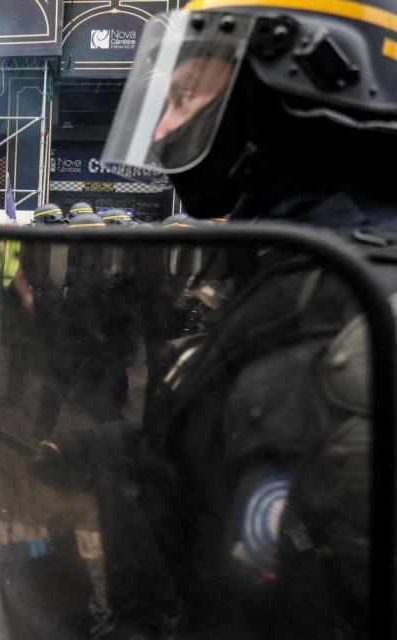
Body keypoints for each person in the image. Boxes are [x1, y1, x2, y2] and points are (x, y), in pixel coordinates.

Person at [97, 2, 396, 636]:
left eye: (187, 95)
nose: (160, 131)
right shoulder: (291, 269)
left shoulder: (328, 314)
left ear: (299, 85)